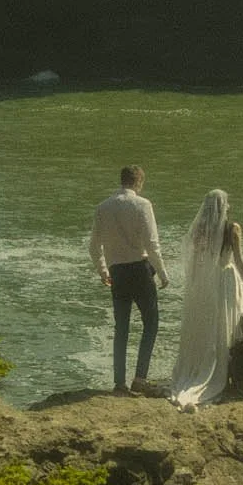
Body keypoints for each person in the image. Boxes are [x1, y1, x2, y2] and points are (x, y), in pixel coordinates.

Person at [169, 189, 243, 410]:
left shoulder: (200, 230)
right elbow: (239, 261)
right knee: (226, 324)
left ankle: (201, 369)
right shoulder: (233, 229)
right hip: (226, 279)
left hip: (206, 281)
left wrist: (196, 286)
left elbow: (195, 262)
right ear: (223, 206)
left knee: (209, 326)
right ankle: (224, 371)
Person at [90, 164, 170, 395]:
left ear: (121, 180)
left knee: (121, 328)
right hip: (140, 269)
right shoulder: (143, 205)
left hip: (117, 272)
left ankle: (119, 383)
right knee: (151, 323)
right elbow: (152, 244)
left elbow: (94, 247)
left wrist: (103, 271)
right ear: (139, 182)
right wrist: (162, 273)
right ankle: (140, 378)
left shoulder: (103, 207)